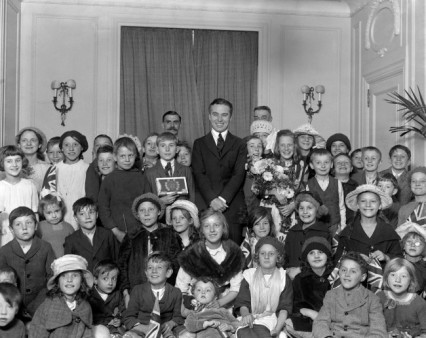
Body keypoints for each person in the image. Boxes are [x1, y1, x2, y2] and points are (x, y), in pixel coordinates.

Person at [192, 98, 247, 244]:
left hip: (232, 207)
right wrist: (212, 199)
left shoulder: (240, 144)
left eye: (224, 115)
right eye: (215, 114)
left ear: (230, 117)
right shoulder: (199, 144)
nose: (219, 119)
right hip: (206, 204)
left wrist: (222, 199)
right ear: (209, 116)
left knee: (233, 253)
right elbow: (198, 174)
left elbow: (239, 174)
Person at [118, 193, 182, 303]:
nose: (146, 214)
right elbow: (122, 265)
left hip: (165, 293)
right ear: (137, 215)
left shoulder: (170, 234)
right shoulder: (132, 236)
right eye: (142, 210)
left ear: (159, 212)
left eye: (151, 209)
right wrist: (126, 292)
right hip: (137, 292)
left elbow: (176, 264)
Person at [176, 209, 245, 310]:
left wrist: (219, 303)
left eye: (216, 225)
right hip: (195, 305)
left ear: (223, 228)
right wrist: (187, 308)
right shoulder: (192, 253)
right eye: (207, 226)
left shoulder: (233, 253)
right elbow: (181, 286)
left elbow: (236, 287)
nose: (212, 230)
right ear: (202, 230)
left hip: (223, 304)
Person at [313, 251, 387, 337]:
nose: (347, 274)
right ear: (339, 272)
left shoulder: (372, 299)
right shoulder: (331, 295)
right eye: (344, 270)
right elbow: (320, 322)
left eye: (353, 271)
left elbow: (378, 331)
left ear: (362, 277)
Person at [0, 207, 55, 316]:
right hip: (12, 307)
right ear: (11, 229)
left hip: (41, 305)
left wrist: (37, 305)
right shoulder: (4, 251)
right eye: (18, 224)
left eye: (29, 223)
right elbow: (2, 285)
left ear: (35, 226)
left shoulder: (46, 247)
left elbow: (52, 279)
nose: (24, 228)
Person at [234, 237, 292, 338]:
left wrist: (277, 329)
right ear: (257, 256)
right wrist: (246, 315)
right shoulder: (249, 276)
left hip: (273, 319)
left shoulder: (283, 277)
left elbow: (284, 308)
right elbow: (243, 302)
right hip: (250, 316)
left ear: (278, 257)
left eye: (271, 254)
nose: (266, 257)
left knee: (262, 332)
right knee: (244, 332)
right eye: (262, 253)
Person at [335, 184, 402, 267]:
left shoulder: (388, 231)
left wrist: (386, 257)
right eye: (363, 201)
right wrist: (355, 258)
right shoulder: (348, 232)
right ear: (357, 205)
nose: (368, 205)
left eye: (373, 201)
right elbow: (338, 261)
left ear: (380, 205)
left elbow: (399, 259)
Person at [29, 254, 95, 338]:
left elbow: (87, 334)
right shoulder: (47, 306)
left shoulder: (86, 307)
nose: (69, 280)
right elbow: (37, 332)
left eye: (74, 275)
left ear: (82, 280)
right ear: (57, 282)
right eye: (64, 276)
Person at [122, 252, 184, 338]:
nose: (154, 271)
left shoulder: (176, 292)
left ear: (168, 273)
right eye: (150, 268)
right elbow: (129, 317)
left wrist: (171, 323)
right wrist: (145, 328)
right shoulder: (138, 290)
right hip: (142, 328)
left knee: (187, 335)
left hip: (165, 330)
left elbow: (178, 317)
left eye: (159, 267)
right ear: (146, 273)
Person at [98, 136, 145, 242]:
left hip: (140, 231)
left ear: (136, 155)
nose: (127, 160)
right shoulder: (109, 180)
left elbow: (148, 204)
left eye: (130, 155)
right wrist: (116, 231)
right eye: (122, 156)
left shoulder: (141, 178)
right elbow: (103, 209)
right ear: (115, 157)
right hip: (115, 233)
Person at [286, 236, 333, 338]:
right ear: (306, 258)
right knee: (288, 324)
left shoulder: (336, 276)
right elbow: (295, 305)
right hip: (308, 322)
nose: (316, 256)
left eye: (320, 252)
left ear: (327, 255)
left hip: (332, 323)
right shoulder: (300, 279)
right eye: (311, 253)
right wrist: (309, 313)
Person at [41, 130, 90, 228]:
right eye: (66, 145)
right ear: (62, 148)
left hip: (83, 216)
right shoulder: (54, 169)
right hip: (59, 219)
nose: (71, 149)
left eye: (75, 144)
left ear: (82, 147)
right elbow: (46, 196)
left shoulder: (88, 168)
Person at [64, 197, 119, 272]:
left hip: (106, 280)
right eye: (82, 214)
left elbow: (117, 261)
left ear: (96, 214)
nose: (87, 217)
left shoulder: (107, 235)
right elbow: (68, 268)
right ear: (76, 218)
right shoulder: (71, 240)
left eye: (91, 212)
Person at [285, 191, 330, 279]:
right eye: (301, 208)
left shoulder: (323, 232)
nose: (305, 212)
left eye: (309, 208)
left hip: (313, 279)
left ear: (317, 210)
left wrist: (301, 270)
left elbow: (325, 262)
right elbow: (285, 256)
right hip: (291, 279)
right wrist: (286, 270)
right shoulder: (292, 232)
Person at [377, 258, 426, 337]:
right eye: (393, 275)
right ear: (386, 278)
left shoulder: (420, 304)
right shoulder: (379, 297)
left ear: (411, 280)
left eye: (403, 276)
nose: (397, 280)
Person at [0, 145, 38, 246]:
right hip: (5, 236)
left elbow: (35, 212)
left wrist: (35, 232)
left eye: (17, 160)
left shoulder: (30, 185)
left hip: (28, 234)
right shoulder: (1, 187)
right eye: (9, 161)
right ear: (2, 164)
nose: (14, 164)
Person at [144, 132, 195, 203]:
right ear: (157, 150)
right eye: (163, 145)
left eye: (171, 145)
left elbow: (192, 197)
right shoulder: (149, 173)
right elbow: (148, 201)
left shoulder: (186, 170)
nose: (167, 149)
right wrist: (160, 201)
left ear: (177, 149)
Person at [306, 148, 346, 237]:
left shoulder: (337, 183)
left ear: (331, 164)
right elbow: (308, 208)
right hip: (316, 226)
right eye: (318, 163)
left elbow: (341, 207)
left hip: (335, 226)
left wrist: (342, 226)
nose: (323, 166)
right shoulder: (309, 184)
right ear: (312, 165)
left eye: (326, 162)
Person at [89, 260, 126, 336]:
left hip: (114, 330)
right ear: (95, 280)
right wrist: (107, 322)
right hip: (96, 330)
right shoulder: (89, 295)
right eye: (105, 278)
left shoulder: (117, 294)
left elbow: (123, 311)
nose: (110, 283)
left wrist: (119, 320)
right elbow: (87, 318)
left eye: (113, 279)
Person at [37, 193, 74, 257]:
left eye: (57, 211)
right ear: (43, 213)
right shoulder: (40, 227)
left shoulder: (68, 227)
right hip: (46, 262)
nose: (54, 216)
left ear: (61, 210)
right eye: (49, 213)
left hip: (65, 261)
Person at [16, 126, 50, 192]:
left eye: (33, 140)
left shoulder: (47, 168)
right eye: (24, 140)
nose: (28, 143)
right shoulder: (12, 167)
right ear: (19, 145)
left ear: (40, 144)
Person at [396, 222, 426, 294]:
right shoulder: (397, 262)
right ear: (403, 245)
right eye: (409, 242)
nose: (412, 245)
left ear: (424, 248)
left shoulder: (424, 267)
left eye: (417, 243)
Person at [85, 134, 114, 204]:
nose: (102, 147)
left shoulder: (119, 165)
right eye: (98, 145)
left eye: (106, 144)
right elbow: (91, 193)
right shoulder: (92, 168)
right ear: (93, 150)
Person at [333, 153, 358, 225]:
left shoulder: (356, 187)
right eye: (338, 163)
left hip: (351, 225)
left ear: (351, 168)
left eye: (346, 162)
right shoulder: (328, 185)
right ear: (333, 168)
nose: (342, 164)